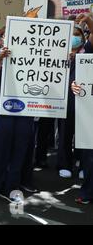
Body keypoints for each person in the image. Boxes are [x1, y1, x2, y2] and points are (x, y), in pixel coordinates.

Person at [0, 28, 35, 202]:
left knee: (19, 150)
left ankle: (11, 187)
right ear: (2, 40)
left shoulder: (33, 55)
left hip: (25, 109)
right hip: (0, 109)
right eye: (6, 35)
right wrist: (0, 59)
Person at [57, 23, 89, 179]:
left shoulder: (88, 52)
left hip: (86, 102)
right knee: (65, 134)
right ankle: (64, 164)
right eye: (72, 34)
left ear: (82, 39)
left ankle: (85, 165)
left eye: (77, 35)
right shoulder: (59, 53)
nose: (74, 38)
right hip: (66, 102)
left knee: (85, 136)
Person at [71, 13, 93, 204]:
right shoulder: (87, 52)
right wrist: (75, 85)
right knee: (90, 154)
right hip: (89, 111)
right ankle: (88, 192)